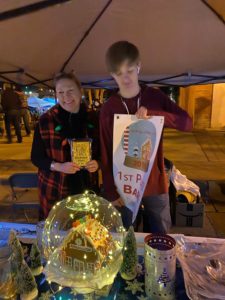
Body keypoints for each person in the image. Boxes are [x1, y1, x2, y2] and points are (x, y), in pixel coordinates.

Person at [100, 41, 193, 233]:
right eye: (119, 74)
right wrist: (110, 190)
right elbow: (105, 149)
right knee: (125, 236)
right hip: (123, 184)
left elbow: (187, 123)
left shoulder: (154, 97)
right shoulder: (109, 108)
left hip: (154, 180)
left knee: (160, 235)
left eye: (130, 71)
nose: (125, 79)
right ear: (112, 75)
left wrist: (156, 115)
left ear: (139, 66)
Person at [31, 72, 99, 219]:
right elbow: (36, 157)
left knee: (85, 231)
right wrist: (58, 166)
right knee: (57, 234)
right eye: (60, 92)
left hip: (86, 186)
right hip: (55, 188)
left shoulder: (93, 117)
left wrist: (97, 163)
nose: (65, 97)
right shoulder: (46, 121)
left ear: (80, 91)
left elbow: (100, 150)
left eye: (70, 91)